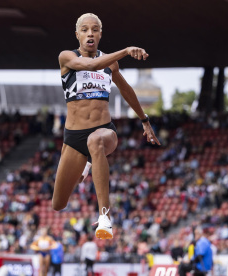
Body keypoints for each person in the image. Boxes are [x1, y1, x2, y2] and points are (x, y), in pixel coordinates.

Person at [53, 12, 160, 240]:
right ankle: (88, 162)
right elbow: (91, 64)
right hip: (73, 137)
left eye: (94, 29)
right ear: (77, 34)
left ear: (100, 34)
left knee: (96, 141)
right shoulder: (67, 57)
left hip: (104, 131)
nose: (90, 33)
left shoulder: (111, 64)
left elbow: (126, 90)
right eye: (85, 29)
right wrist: (125, 50)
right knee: (58, 204)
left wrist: (145, 120)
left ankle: (105, 217)